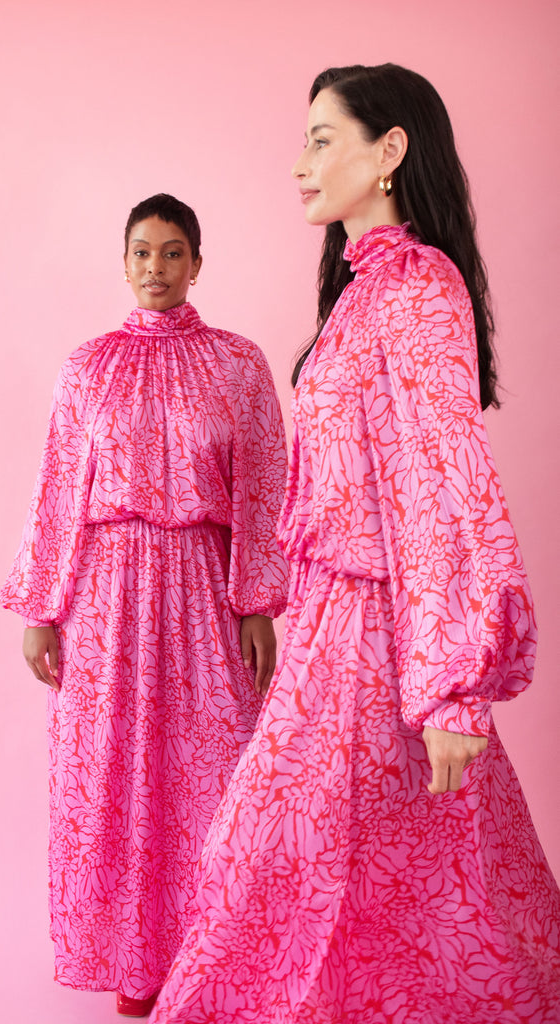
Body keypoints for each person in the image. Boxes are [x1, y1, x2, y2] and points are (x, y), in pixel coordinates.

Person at [149, 66, 560, 1023]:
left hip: (382, 643)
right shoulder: (364, 293)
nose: (298, 166)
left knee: (342, 868)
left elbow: (444, 483)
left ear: (389, 151)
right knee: (362, 873)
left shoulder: (418, 290)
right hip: (335, 634)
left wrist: (456, 679)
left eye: (321, 139)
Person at [0, 193, 289, 1017]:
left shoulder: (239, 363)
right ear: (121, 262)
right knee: (117, 770)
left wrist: (258, 603)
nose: (154, 269)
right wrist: (41, 608)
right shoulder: (87, 366)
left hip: (202, 581)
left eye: (170, 253)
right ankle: (134, 965)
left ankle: (216, 957)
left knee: (214, 769)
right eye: (139, 253)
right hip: (105, 595)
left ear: (197, 262)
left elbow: (265, 486)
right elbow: (58, 488)